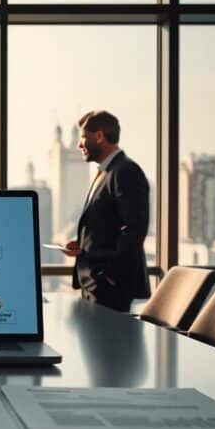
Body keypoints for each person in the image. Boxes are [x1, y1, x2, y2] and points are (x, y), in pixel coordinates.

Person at [63, 110, 150, 312]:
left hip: (110, 288)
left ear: (100, 136)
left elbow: (135, 229)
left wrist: (109, 274)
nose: (79, 145)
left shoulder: (125, 171)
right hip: (97, 286)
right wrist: (82, 245)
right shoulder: (106, 172)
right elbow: (108, 226)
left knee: (111, 343)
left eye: (83, 137)